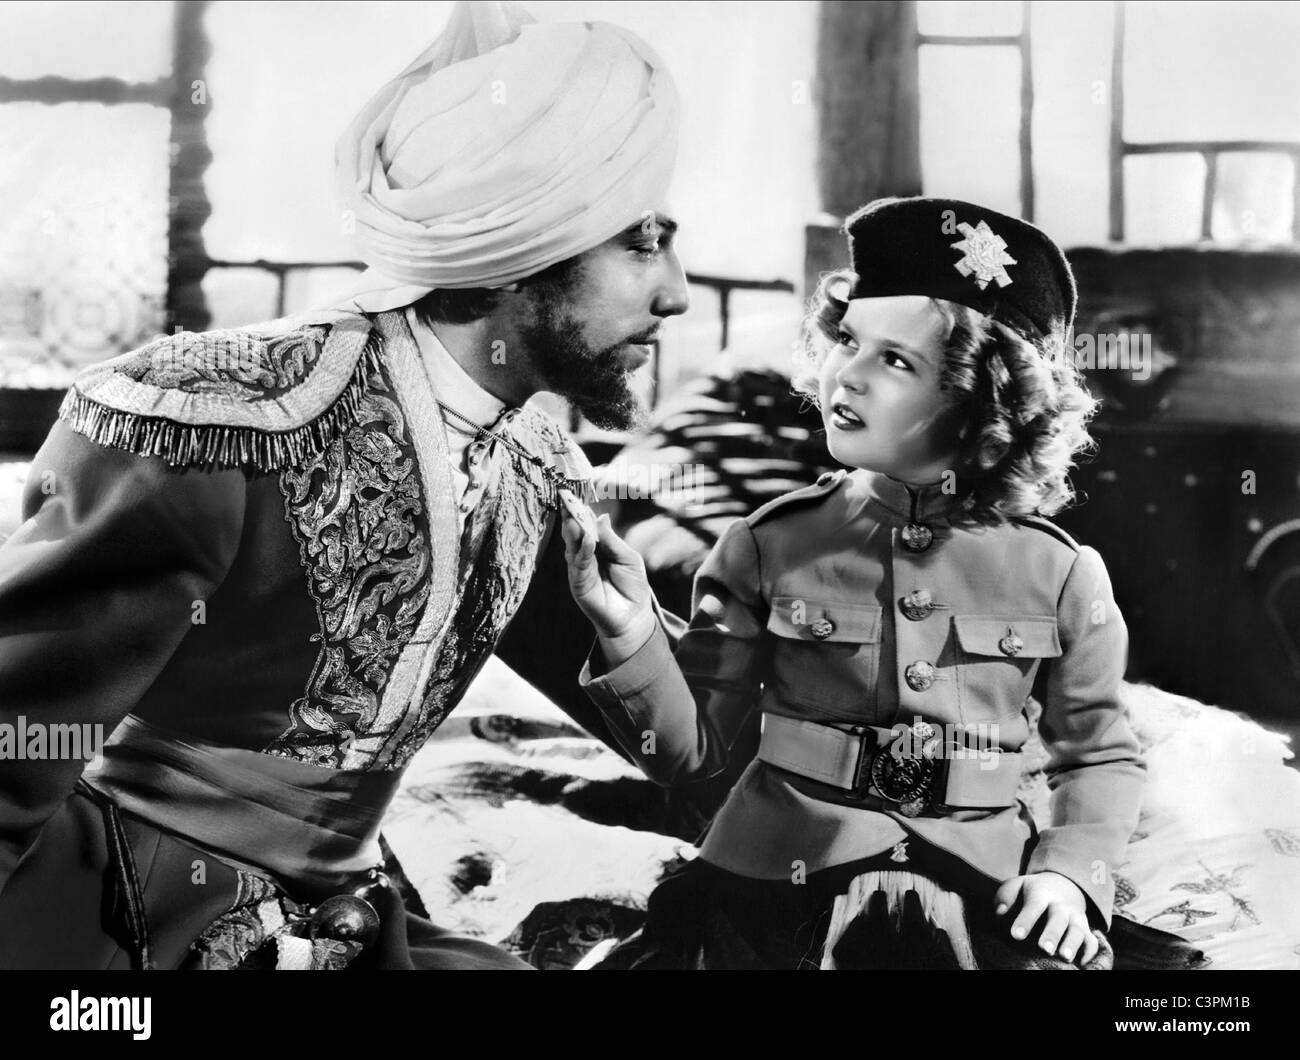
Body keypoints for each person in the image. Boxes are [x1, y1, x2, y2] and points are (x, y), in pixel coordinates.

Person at [0, 0, 689, 970]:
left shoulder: (534, 462)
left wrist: (633, 637)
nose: (678, 292)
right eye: (642, 241)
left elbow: (686, 758)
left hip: (352, 919)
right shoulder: (206, 425)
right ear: (526, 239)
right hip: (119, 914)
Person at [561, 196, 1206, 969]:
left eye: (895, 360)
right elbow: (691, 753)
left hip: (980, 881)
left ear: (981, 402)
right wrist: (629, 631)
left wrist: (1070, 877)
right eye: (848, 341)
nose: (847, 374)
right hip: (773, 882)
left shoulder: (1062, 573)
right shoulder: (766, 545)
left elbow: (1099, 755)